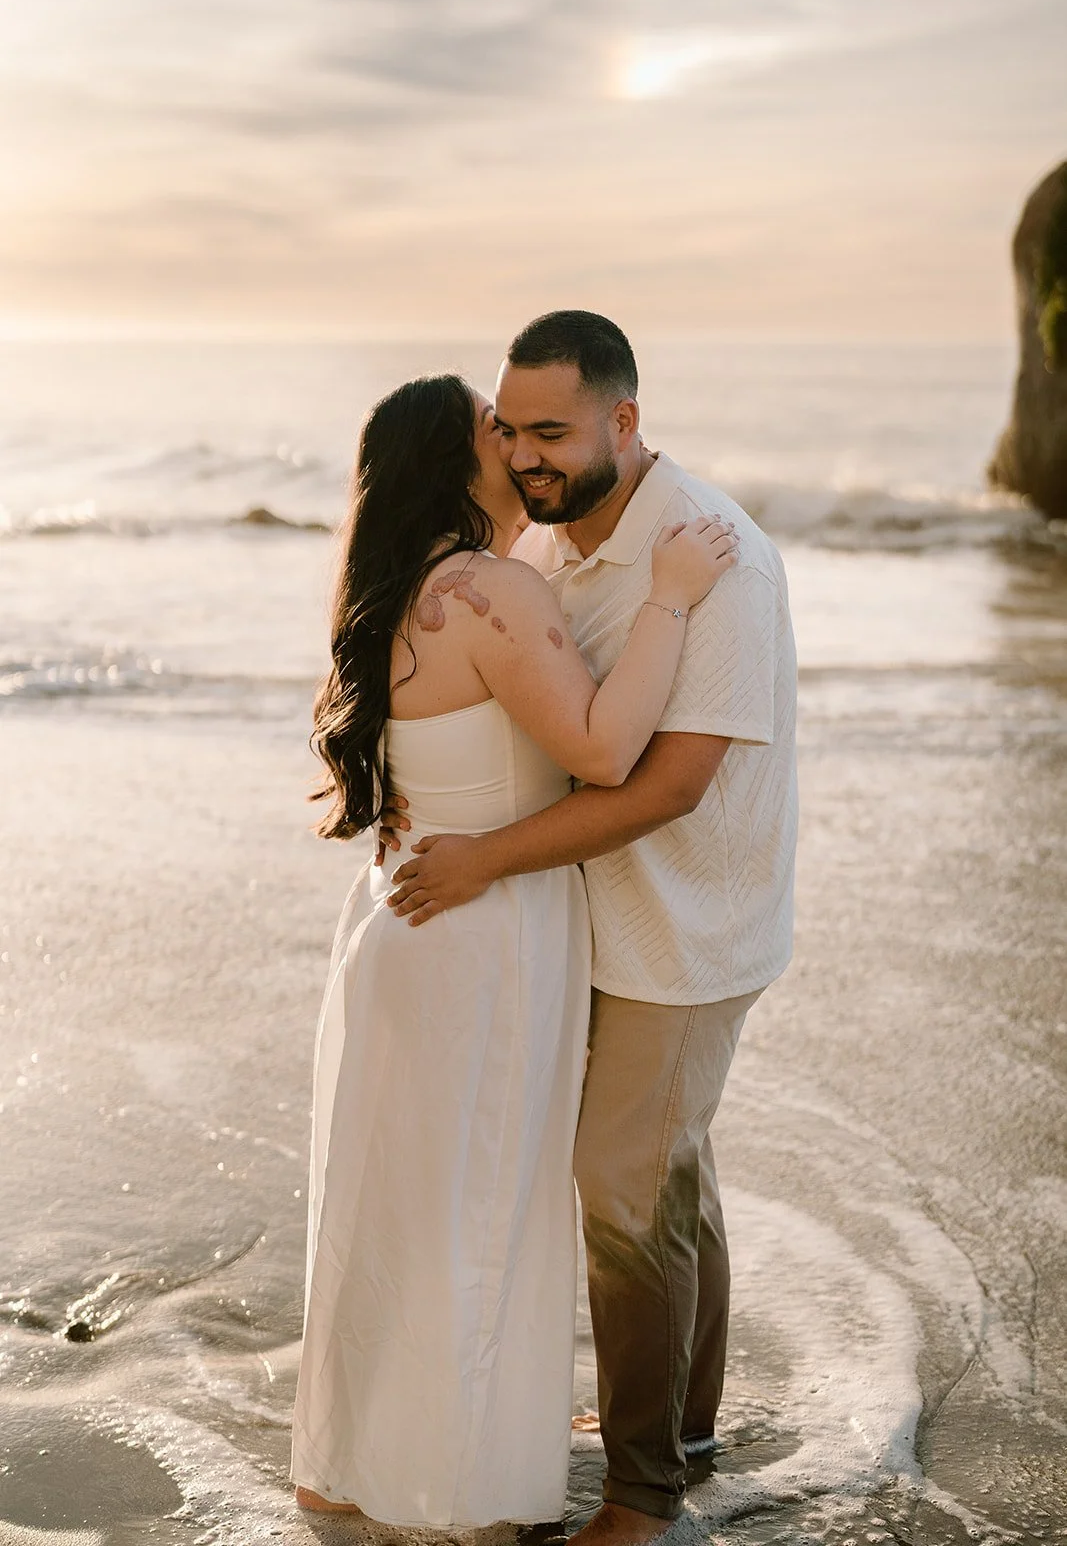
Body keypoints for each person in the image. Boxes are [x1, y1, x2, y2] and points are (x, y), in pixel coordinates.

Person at [289, 371, 737, 1528]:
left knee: (394, 1212)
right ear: (457, 461)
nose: (517, 445)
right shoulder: (489, 589)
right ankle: (466, 1486)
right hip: (483, 934)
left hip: (397, 923)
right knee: (482, 1209)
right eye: (495, 430)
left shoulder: (392, 590)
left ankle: (355, 1465)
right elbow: (598, 749)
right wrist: (672, 600)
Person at [383, 313, 799, 1543]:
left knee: (621, 1192)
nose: (525, 457)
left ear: (625, 419)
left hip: (686, 928)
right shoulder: (555, 546)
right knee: (668, 1175)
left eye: (553, 431)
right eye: (510, 432)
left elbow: (666, 785)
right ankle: (682, 1421)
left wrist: (482, 859)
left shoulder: (716, 558)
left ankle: (641, 1496)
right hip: (594, 917)